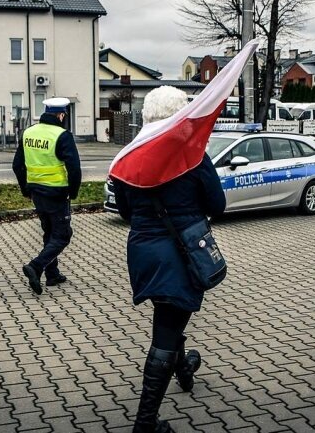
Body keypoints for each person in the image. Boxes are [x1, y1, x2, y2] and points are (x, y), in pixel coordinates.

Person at [111, 86, 226, 433]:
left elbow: (126, 209)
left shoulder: (130, 156)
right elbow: (217, 204)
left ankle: (184, 368)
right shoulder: (192, 156)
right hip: (181, 253)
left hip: (143, 252)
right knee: (165, 330)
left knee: (169, 318)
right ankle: (146, 423)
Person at [12, 97, 81, 295]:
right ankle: (36, 266)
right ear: (60, 114)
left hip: (36, 192)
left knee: (49, 232)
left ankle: (53, 273)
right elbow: (74, 169)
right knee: (62, 235)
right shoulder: (62, 135)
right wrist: (73, 192)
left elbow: (17, 165)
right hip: (57, 193)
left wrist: (26, 189)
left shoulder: (28, 132)